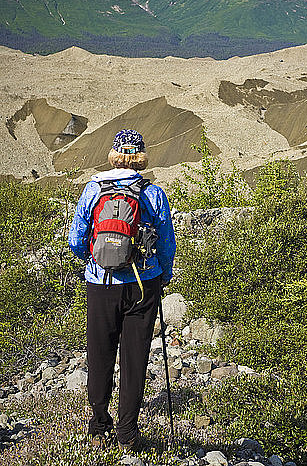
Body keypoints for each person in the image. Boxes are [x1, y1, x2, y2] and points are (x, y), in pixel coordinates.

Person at [68, 129, 176, 450]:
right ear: (141, 156)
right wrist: (164, 273)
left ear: (115, 154)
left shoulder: (93, 189)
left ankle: (99, 427)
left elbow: (76, 239)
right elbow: (166, 242)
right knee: (134, 357)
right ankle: (128, 433)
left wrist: (94, 259)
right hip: (143, 284)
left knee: (100, 353)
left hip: (100, 283)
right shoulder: (154, 193)